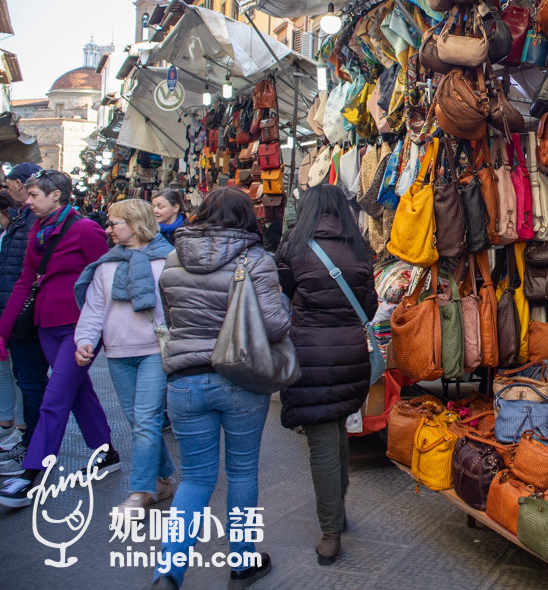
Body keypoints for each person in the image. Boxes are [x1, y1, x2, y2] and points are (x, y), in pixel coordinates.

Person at [154, 188, 289, 590]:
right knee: (242, 471)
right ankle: (242, 561)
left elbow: (172, 317)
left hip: (184, 380)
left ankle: (168, 571)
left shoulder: (173, 258)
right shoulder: (256, 259)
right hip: (240, 378)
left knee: (195, 478)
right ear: (247, 217)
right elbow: (276, 325)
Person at [275, 184, 377, 566]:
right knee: (337, 425)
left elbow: (282, 298)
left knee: (321, 439)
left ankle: (331, 532)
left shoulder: (294, 247)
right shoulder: (360, 248)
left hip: (310, 354)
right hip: (351, 352)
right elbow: (369, 306)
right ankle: (339, 507)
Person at [0, 169, 114, 506]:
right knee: (77, 392)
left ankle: (32, 472)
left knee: (55, 398)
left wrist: (102, 329)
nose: (28, 201)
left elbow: (103, 280)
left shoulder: (86, 229)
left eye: (34, 195)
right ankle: (106, 452)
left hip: (80, 328)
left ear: (56, 195)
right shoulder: (37, 229)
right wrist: (3, 332)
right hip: (46, 325)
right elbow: (24, 281)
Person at [73, 199, 176, 513]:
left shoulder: (168, 260)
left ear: (134, 224)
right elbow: (94, 309)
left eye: (113, 223)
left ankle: (140, 491)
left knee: (146, 420)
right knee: (138, 422)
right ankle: (163, 479)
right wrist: (85, 340)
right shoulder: (106, 265)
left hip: (153, 352)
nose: (108, 229)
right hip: (118, 354)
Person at [0, 164, 48, 473]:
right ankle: (30, 442)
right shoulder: (24, 219)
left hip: (26, 316)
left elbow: (24, 275)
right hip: (18, 313)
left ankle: (35, 447)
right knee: (26, 380)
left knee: (31, 382)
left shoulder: (34, 223)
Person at [0, 193, 24, 452]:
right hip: (7, 306)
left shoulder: (15, 234)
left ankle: (20, 425)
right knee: (4, 370)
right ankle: (7, 421)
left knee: (18, 371)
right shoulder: (7, 235)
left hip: (13, 310)